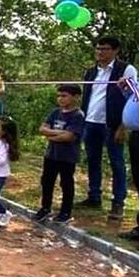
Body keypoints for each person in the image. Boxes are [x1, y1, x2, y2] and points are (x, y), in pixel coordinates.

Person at [78, 35, 137, 220]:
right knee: (93, 160)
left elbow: (133, 99)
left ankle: (118, 202)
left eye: (104, 49)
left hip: (112, 124)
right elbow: (87, 97)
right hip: (91, 122)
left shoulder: (126, 70)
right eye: (98, 48)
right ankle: (94, 196)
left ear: (115, 50)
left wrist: (122, 126)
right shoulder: (90, 71)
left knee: (117, 162)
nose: (100, 52)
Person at [35, 84, 85, 225]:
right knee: (47, 181)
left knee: (66, 183)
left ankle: (65, 212)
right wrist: (58, 133)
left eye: (64, 96)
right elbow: (42, 128)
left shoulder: (78, 116)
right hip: (51, 154)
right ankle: (45, 208)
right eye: (59, 96)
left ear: (76, 97)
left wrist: (51, 135)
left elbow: (69, 137)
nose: (60, 99)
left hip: (67, 156)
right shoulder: (55, 112)